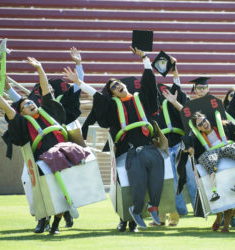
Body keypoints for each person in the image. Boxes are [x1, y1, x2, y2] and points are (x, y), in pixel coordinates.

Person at [63, 47, 164, 229]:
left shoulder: (142, 98)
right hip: (130, 151)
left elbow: (149, 81)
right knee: (137, 178)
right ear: (114, 94)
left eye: (118, 83)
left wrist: (145, 58)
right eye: (114, 87)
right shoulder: (113, 106)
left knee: (158, 171)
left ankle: (153, 207)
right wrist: (79, 81)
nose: (118, 86)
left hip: (149, 147)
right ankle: (136, 209)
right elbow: (97, 96)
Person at [0, 57, 84, 235]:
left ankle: (56, 220)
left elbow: (46, 90)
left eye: (32, 102)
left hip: (60, 153)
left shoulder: (49, 110)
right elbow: (10, 111)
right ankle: (42, 218)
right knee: (33, 181)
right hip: (39, 159)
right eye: (26, 104)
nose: (31, 103)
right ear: (22, 111)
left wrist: (40, 68)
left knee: (62, 183)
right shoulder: (23, 122)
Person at [151, 55, 197, 227]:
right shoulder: (149, 109)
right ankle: (176, 213)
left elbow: (177, 85)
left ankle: (198, 208)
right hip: (163, 148)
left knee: (191, 178)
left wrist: (175, 68)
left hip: (180, 144)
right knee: (171, 182)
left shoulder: (171, 102)